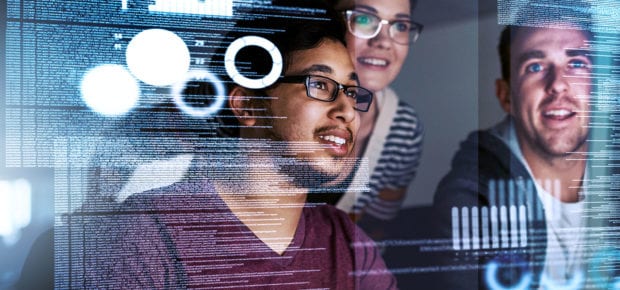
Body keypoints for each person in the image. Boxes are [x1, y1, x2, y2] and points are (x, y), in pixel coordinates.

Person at [72, 2, 397, 289]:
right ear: (248, 106)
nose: (346, 111)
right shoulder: (144, 236)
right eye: (320, 85)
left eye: (352, 93)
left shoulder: (348, 244)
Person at [432, 18, 595, 289]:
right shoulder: (470, 197)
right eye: (535, 67)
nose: (557, 84)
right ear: (506, 96)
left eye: (577, 64)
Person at [324, 0, 424, 222]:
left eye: (400, 26)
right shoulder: (268, 103)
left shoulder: (403, 130)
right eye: (364, 19)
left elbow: (376, 228)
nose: (384, 42)